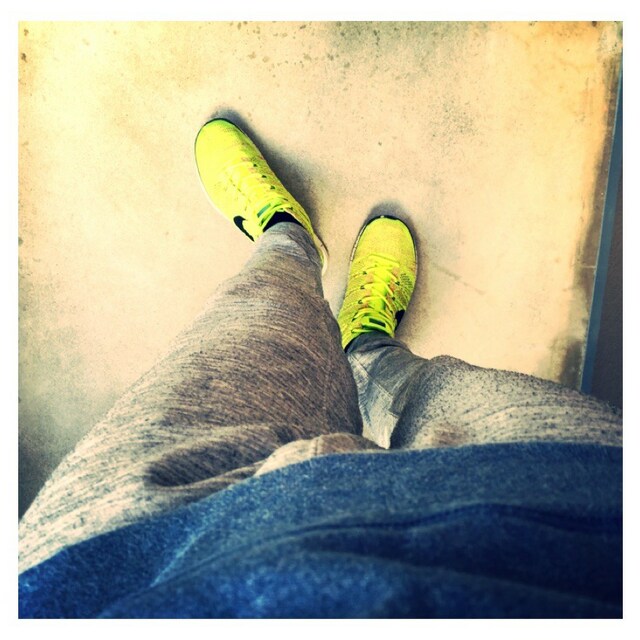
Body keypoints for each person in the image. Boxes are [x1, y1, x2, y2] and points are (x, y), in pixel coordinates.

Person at [18, 118, 622, 618]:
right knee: (435, 389)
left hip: (118, 566)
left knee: (251, 329)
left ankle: (285, 239)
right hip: (577, 506)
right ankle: (366, 343)